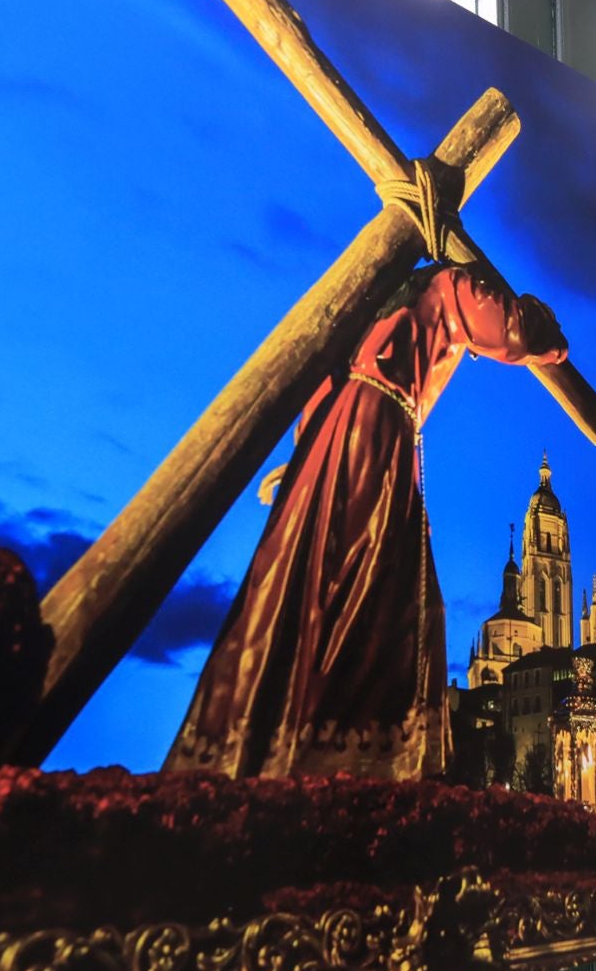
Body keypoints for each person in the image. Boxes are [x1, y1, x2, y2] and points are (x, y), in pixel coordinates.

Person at [168, 261, 569, 780]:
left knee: (308, 577)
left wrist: (305, 457)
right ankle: (359, 753)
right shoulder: (445, 284)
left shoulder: (369, 307)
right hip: (381, 434)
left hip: (332, 442)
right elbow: (510, 330)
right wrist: (551, 334)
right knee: (390, 584)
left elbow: (321, 390)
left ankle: (269, 735)